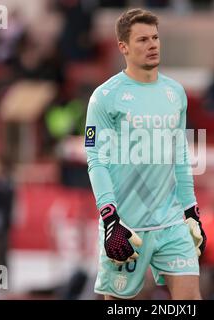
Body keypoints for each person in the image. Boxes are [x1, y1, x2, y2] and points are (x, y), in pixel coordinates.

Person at [84, 8, 207, 300]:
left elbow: (179, 154)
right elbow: (96, 160)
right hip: (127, 225)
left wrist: (191, 209)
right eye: (142, 40)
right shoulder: (104, 97)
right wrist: (110, 217)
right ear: (123, 47)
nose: (152, 45)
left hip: (171, 224)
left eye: (155, 37)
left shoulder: (175, 93)